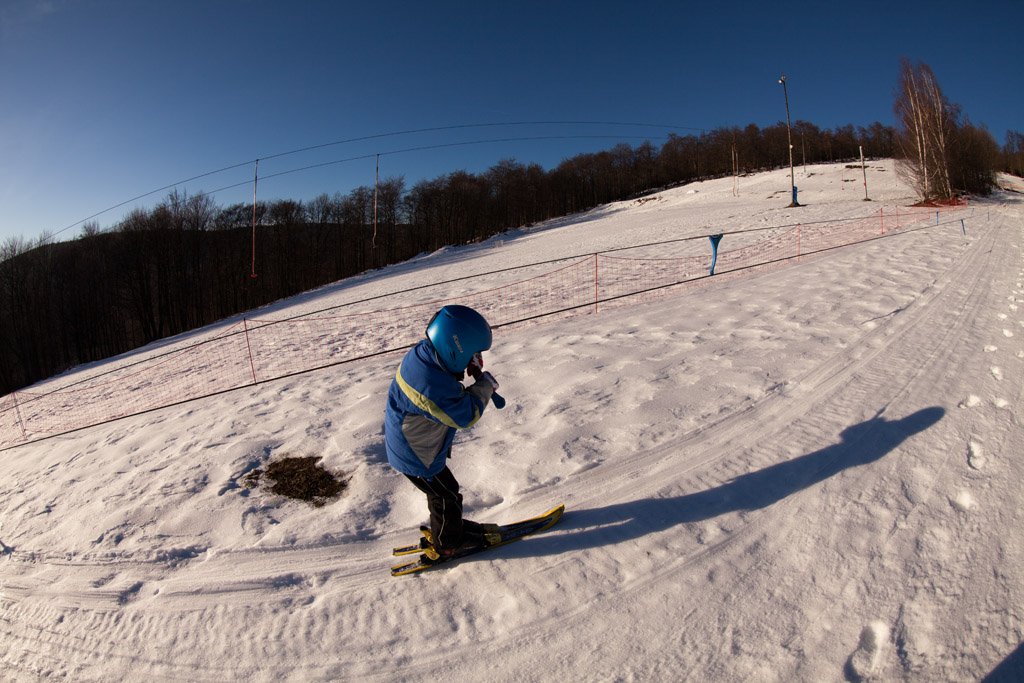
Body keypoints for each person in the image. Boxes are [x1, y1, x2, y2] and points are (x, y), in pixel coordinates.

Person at [383, 304, 500, 558]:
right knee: (446, 495)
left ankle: (448, 527)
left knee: (443, 491)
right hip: (415, 454)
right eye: (471, 353)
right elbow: (465, 414)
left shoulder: (427, 356)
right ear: (455, 349)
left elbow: (446, 384)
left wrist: (467, 368)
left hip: (413, 445)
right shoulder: (431, 386)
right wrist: (484, 387)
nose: (475, 358)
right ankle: (448, 542)